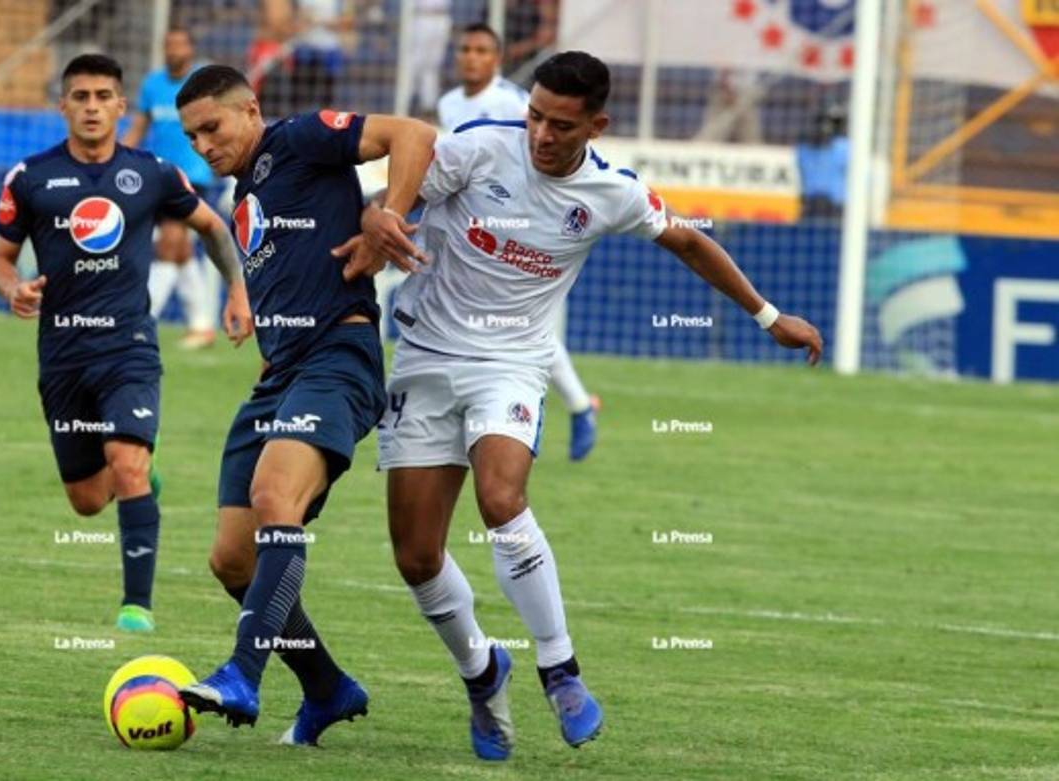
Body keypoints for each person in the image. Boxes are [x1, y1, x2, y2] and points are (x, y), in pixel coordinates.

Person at [342, 51, 823, 760]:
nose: (541, 133)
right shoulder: (478, 149)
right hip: (423, 356)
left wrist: (767, 314)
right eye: (536, 115)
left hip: (511, 365)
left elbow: (688, 239)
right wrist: (378, 215)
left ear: (596, 124)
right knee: (417, 557)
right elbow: (388, 195)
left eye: (561, 125)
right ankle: (482, 670)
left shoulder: (611, 192)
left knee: (502, 500)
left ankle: (559, 668)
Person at [171, 64, 438, 746]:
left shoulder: (298, 138)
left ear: (250, 110)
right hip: (279, 377)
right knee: (231, 559)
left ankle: (242, 671)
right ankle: (327, 688)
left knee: (274, 497)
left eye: (213, 127)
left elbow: (413, 134)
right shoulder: (242, 198)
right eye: (192, 135)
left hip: (336, 361)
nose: (202, 144)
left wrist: (390, 218)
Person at [0, 54, 252, 632]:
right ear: (63, 106)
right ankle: (138, 475)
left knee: (127, 463)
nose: (91, 107)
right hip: (61, 355)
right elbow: (0, 258)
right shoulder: (29, 178)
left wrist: (236, 290)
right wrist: (14, 289)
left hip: (129, 347)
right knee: (86, 500)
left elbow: (210, 224)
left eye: (103, 96)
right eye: (80, 97)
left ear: (120, 106)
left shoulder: (152, 172)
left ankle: (137, 608)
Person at [437, 21, 601, 461]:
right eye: (464, 49)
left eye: (481, 50)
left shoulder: (512, 102)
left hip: (527, 234)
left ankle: (568, 409)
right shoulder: (449, 103)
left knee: (527, 333)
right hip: (471, 230)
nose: (470, 57)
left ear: (497, 58)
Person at [122, 26, 220, 350]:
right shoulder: (153, 84)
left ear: (191, 49)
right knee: (178, 251)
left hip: (193, 174)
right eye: (169, 45)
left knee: (169, 243)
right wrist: (115, 160)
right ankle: (203, 325)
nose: (174, 50)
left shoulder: (203, 85)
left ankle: (140, 324)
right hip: (158, 175)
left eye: (180, 45)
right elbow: (139, 127)